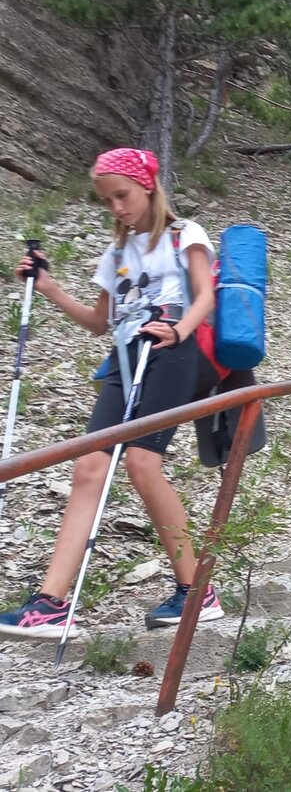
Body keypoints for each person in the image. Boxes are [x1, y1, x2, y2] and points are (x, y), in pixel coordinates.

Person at [0, 148, 224, 640]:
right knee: (89, 465)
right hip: (124, 362)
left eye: (122, 195)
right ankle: (50, 605)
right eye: (107, 201)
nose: (116, 208)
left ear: (148, 186)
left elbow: (205, 294)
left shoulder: (184, 234)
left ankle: (198, 590)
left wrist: (180, 330)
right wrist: (48, 286)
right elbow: (99, 322)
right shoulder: (116, 254)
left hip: (173, 352)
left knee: (143, 462)